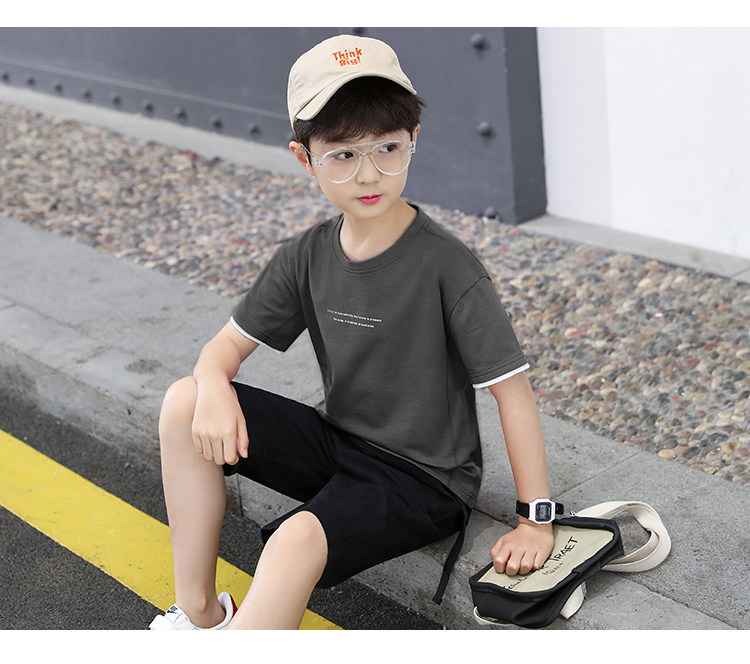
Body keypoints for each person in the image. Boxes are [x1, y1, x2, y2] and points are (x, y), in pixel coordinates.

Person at [149, 33, 556, 631]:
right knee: (184, 401)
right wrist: (211, 384)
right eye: (342, 155)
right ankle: (201, 616)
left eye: (387, 148)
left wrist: (535, 521)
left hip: (425, 480)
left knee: (292, 542)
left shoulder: (447, 266)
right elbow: (223, 349)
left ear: (414, 139)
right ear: (304, 158)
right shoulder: (306, 255)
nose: (370, 174)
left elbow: (511, 392)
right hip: (340, 444)